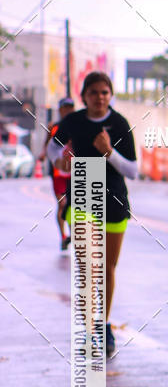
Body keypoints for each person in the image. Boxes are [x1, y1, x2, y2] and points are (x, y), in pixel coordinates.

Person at [46, 72, 137, 357]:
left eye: (105, 92)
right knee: (88, 268)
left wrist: (109, 152)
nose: (100, 97)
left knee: (107, 269)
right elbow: (51, 149)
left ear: (110, 95)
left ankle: (104, 325)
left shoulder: (119, 123)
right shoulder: (73, 121)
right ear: (84, 96)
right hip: (84, 191)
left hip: (114, 199)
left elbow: (134, 170)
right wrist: (60, 159)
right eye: (94, 92)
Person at [42, 97, 75, 250]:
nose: (68, 110)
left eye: (71, 107)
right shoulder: (53, 127)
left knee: (73, 205)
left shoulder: (79, 126)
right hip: (58, 174)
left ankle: (72, 235)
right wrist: (43, 155)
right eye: (65, 108)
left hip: (75, 173)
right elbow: (47, 146)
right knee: (62, 204)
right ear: (60, 110)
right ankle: (63, 236)